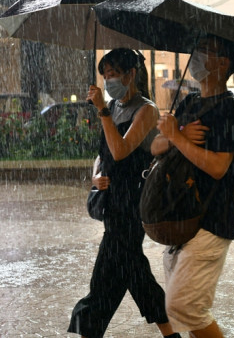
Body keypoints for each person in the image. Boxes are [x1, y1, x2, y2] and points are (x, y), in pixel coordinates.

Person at [68, 49, 180, 338]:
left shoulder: (146, 110)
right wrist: (96, 175)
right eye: (105, 75)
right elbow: (103, 153)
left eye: (114, 74)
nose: (108, 80)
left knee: (110, 275)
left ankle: (90, 327)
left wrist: (102, 110)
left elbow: (120, 151)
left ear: (131, 74)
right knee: (129, 271)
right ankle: (170, 332)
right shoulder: (114, 106)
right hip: (111, 202)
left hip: (132, 204)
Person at [151, 35, 234, 338]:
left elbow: (219, 168)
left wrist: (177, 138)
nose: (196, 55)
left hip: (212, 217)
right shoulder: (189, 101)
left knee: (184, 306)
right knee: (185, 310)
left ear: (223, 62)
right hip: (181, 213)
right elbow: (156, 146)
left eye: (205, 50)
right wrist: (174, 133)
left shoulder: (231, 110)